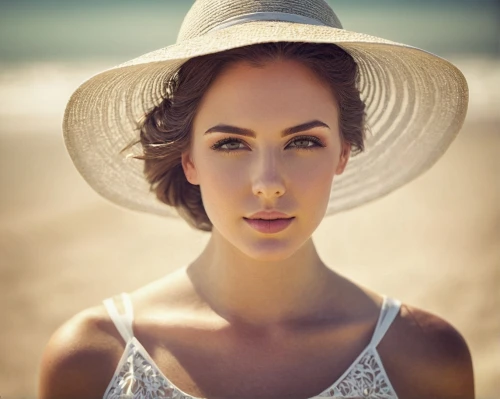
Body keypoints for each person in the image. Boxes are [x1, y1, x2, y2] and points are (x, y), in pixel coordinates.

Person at [38, 0, 474, 398]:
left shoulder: (425, 357)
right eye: (231, 143)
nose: (268, 184)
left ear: (343, 152)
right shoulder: (92, 360)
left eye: (303, 141)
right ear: (188, 160)